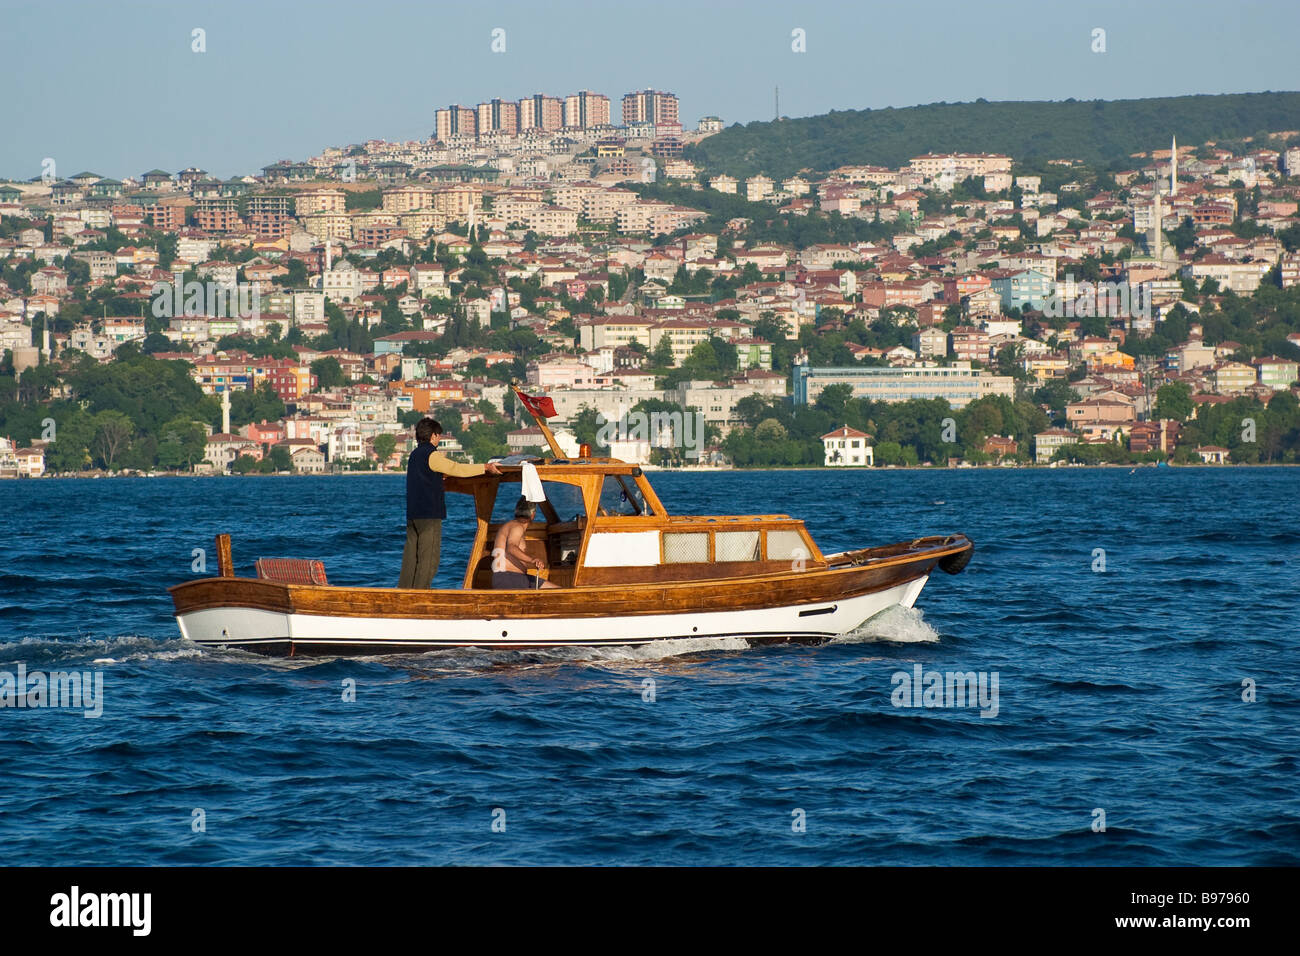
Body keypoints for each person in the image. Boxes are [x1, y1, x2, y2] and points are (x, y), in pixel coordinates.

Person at [399, 417, 501, 589]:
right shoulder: (432, 454)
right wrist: (485, 467)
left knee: (411, 558)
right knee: (428, 560)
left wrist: (439, 476)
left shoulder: (414, 455)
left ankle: (403, 593)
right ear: (433, 436)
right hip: (429, 515)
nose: (439, 440)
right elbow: (457, 468)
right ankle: (420, 595)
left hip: (413, 514)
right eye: (439, 436)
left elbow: (427, 476)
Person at [492, 497, 560, 589]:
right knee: (558, 591)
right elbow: (511, 547)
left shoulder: (510, 525)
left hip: (507, 578)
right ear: (533, 514)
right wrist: (533, 560)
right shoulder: (517, 527)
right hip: (511, 578)